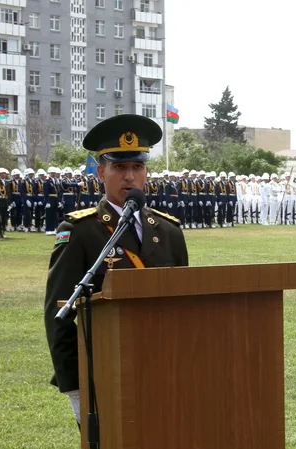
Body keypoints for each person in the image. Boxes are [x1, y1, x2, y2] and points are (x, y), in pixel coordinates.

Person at [44, 114, 189, 422]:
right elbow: (58, 311)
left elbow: (183, 306)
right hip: (104, 371)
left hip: (164, 367)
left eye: (137, 167)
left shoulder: (169, 231)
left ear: (146, 172)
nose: (129, 177)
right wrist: (74, 386)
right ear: (101, 172)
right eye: (120, 167)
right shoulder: (80, 230)